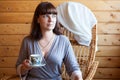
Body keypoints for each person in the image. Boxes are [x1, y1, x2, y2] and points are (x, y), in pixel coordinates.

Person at [16, 2, 83, 80]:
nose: (51, 20)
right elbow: (18, 68)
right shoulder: (27, 41)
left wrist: (78, 76)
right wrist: (25, 68)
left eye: (54, 16)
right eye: (45, 16)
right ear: (37, 19)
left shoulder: (63, 41)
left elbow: (73, 68)